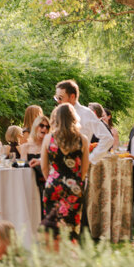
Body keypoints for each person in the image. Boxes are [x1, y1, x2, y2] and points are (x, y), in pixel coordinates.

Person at [40, 103, 89, 246]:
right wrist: (77, 181)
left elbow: (44, 166)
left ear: (56, 118)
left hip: (53, 185)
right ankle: (70, 252)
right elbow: (84, 168)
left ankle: (52, 252)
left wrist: (52, 180)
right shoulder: (82, 139)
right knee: (72, 225)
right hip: (74, 187)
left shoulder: (48, 139)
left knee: (52, 225)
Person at [54, 79, 113, 159]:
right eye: (56, 98)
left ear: (72, 97)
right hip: (57, 163)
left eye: (60, 98)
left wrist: (91, 158)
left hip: (79, 163)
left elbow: (107, 138)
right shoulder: (57, 114)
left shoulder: (86, 114)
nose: (58, 101)